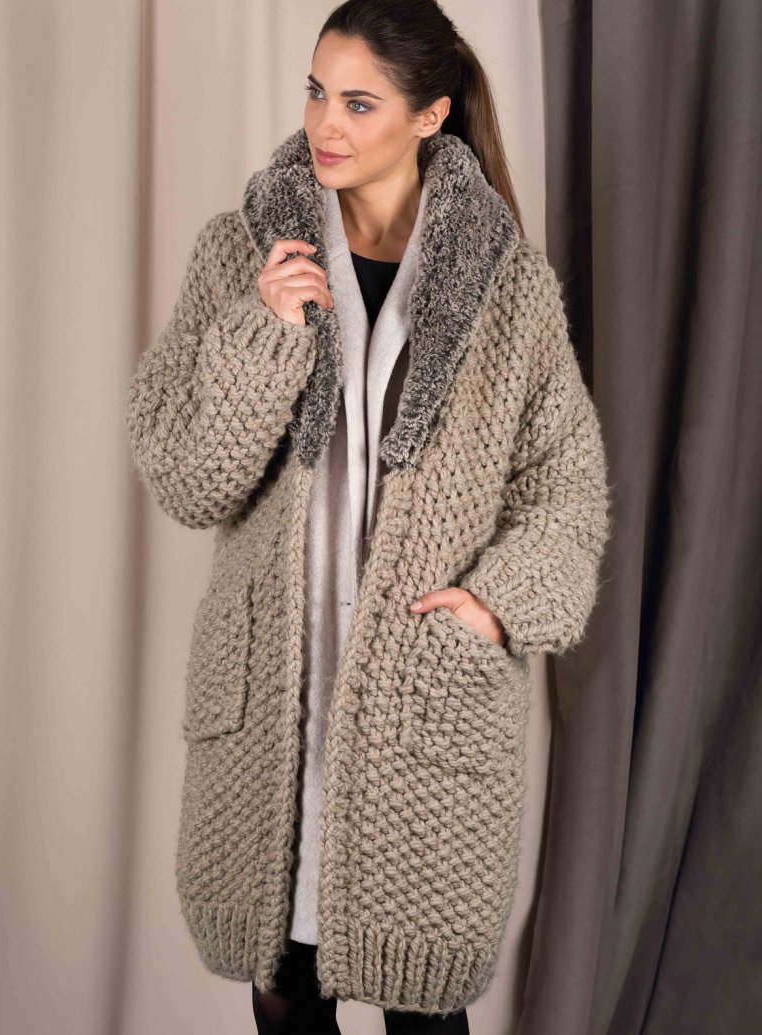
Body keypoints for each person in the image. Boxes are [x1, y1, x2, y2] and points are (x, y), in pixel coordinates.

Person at [124, 0, 612, 1031]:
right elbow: (185, 478)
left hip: (422, 700)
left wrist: (491, 607)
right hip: (276, 699)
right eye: (316, 91)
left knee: (421, 1007)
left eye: (358, 102)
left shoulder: (507, 290)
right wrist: (266, 332)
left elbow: (566, 491)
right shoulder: (242, 253)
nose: (323, 124)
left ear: (430, 115)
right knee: (283, 993)